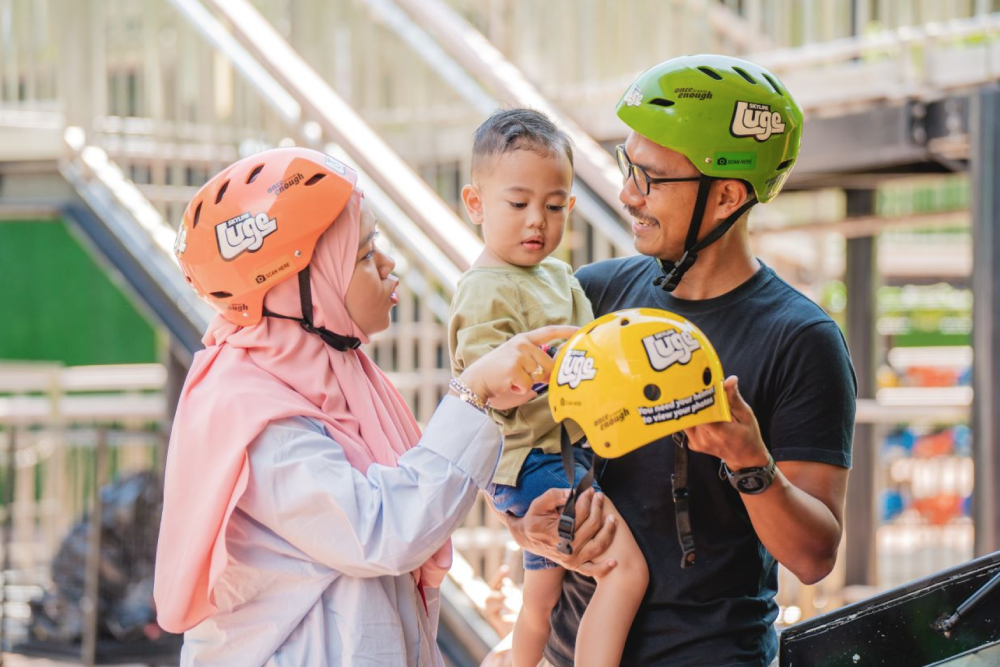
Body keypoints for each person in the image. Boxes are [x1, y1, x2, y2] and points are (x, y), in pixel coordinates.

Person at [151, 147, 614, 666]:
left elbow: (423, 484)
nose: (389, 264)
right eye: (364, 253)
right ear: (302, 282)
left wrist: (515, 516)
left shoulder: (337, 376)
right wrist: (473, 392)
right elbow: (382, 529)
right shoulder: (254, 415)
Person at [504, 55, 858, 666]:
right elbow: (521, 440)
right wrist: (525, 524)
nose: (626, 194)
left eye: (651, 178)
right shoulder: (596, 294)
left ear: (725, 196)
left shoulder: (800, 338)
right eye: (627, 165)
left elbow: (814, 555)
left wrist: (750, 462)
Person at [448, 109, 648, 667]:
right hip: (530, 460)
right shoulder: (483, 290)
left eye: (554, 206)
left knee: (542, 596)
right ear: (475, 204)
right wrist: (558, 365)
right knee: (623, 570)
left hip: (566, 451)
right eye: (518, 204)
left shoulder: (562, 277)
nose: (537, 220)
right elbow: (490, 385)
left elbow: (594, 348)